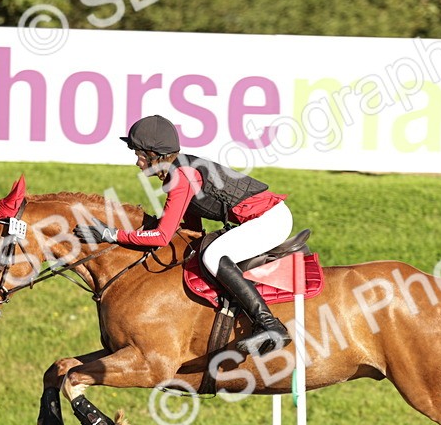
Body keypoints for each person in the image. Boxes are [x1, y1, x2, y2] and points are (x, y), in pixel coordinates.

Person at [74, 115, 295, 357]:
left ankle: (269, 325)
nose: (137, 162)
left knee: (213, 256)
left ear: (154, 155)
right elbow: (191, 228)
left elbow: (160, 236)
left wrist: (110, 234)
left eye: (138, 154)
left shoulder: (182, 176)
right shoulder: (179, 171)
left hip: (269, 220)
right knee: (205, 251)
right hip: (264, 219)